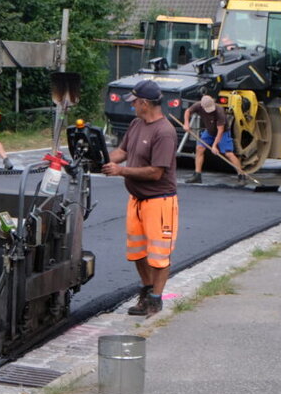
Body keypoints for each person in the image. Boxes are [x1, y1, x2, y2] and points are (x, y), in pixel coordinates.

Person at [101, 80, 179, 317]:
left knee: (159, 256)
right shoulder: (136, 124)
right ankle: (146, 291)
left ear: (144, 103)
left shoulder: (164, 132)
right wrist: (101, 161)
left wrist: (121, 171)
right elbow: (122, 152)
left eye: (134, 102)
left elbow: (156, 172)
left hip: (159, 201)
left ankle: (155, 299)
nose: (132, 105)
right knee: (138, 253)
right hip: (136, 200)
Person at [182, 94, 248, 184]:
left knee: (228, 154)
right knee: (199, 148)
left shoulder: (219, 111)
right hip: (209, 131)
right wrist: (186, 123)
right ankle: (197, 175)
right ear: (202, 106)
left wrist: (214, 145)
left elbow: (220, 131)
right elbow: (187, 111)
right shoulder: (198, 105)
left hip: (223, 133)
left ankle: (241, 175)